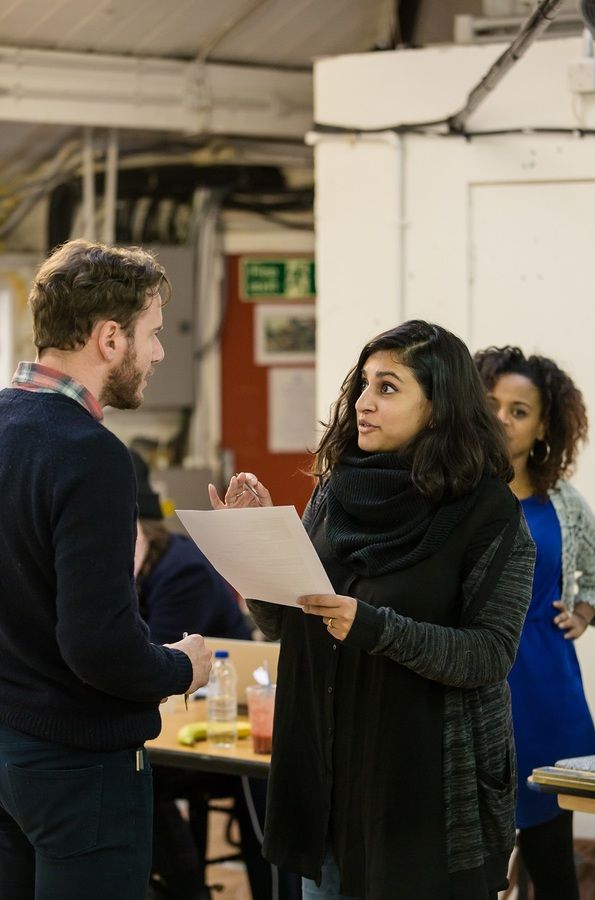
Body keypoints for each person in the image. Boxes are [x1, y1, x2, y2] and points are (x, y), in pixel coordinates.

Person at [209, 319, 536, 900]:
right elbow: (290, 620)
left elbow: (489, 654)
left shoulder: (490, 513)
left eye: (387, 387)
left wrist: (374, 627)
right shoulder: (338, 492)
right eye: (363, 385)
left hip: (425, 800)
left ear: (438, 407)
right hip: (328, 782)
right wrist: (253, 545)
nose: (362, 403)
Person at [0, 239, 212, 900]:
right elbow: (97, 644)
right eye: (151, 335)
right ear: (110, 337)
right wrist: (183, 668)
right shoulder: (90, 454)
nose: (160, 352)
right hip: (77, 769)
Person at [132, 449, 301, 900]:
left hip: (233, 713)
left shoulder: (179, 569)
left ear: (140, 533)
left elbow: (152, 655)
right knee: (136, 773)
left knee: (142, 778)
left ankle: (188, 890)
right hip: (184, 718)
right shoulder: (147, 567)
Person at [474, 345, 595, 900]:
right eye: (491, 404)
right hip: (475, 696)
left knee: (554, 873)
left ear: (544, 425)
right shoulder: (452, 493)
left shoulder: (563, 502)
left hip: (550, 701)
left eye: (519, 410)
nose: (502, 418)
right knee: (475, 872)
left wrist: (584, 610)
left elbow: (594, 569)